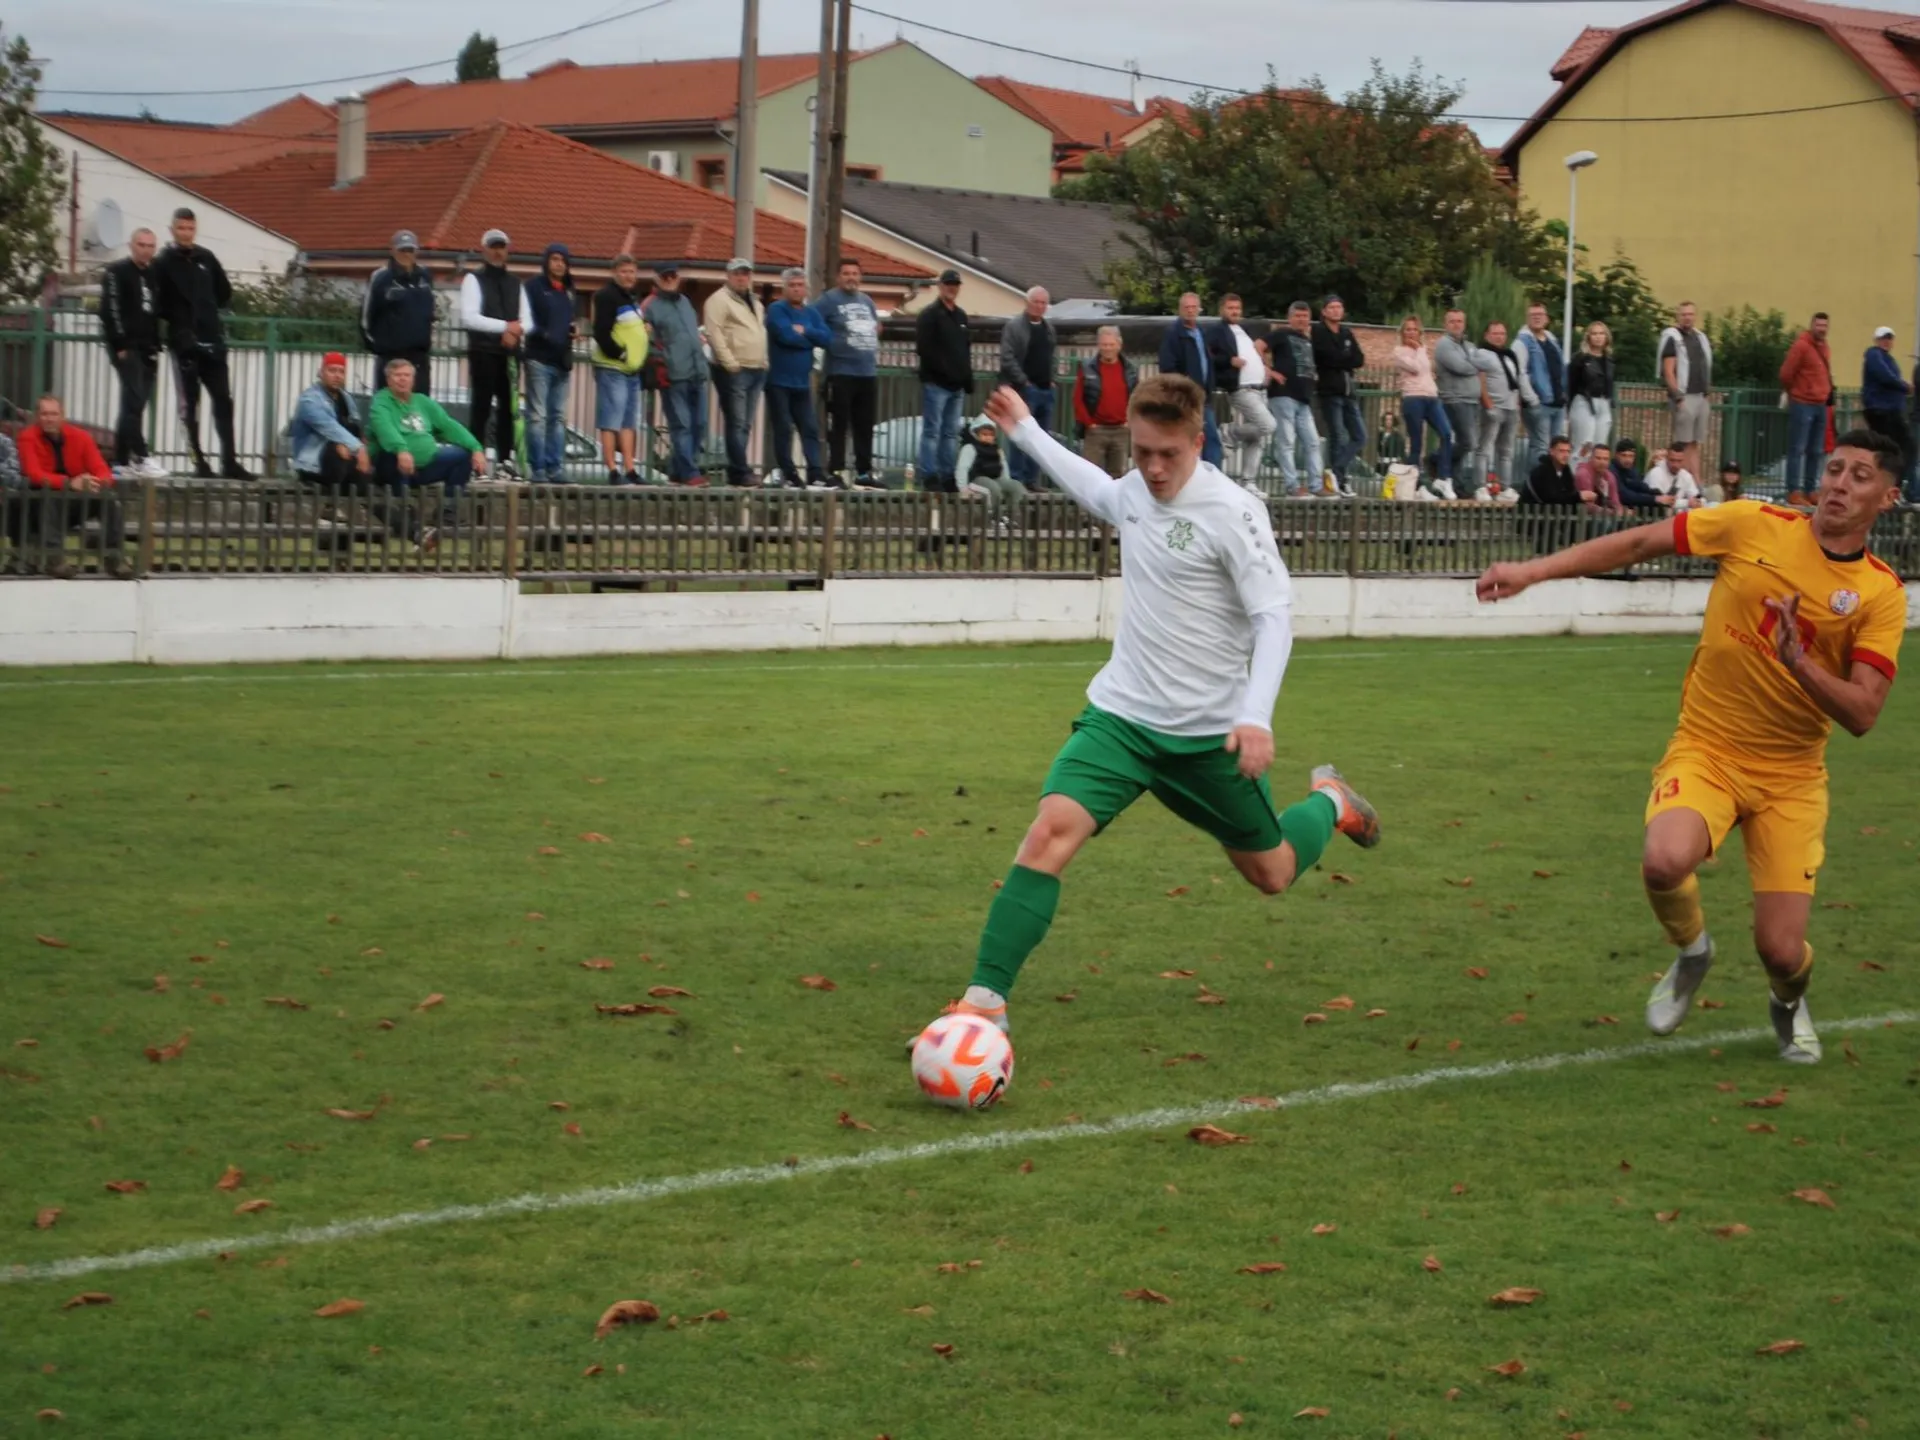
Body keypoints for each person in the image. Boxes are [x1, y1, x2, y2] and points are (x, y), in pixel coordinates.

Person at [936, 373, 1380, 1038]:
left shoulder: (1234, 513)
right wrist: (1024, 429)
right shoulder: (1137, 491)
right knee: (1049, 832)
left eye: (1168, 454)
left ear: (1199, 442)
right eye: (1142, 452)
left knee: (1273, 873)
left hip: (1209, 739)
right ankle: (984, 1002)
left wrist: (1255, 716)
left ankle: (1331, 802)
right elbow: (1094, 487)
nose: (1152, 468)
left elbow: (1273, 619)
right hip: (1122, 720)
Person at [1476, 429, 1908, 1065]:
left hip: (1791, 776)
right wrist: (1532, 571)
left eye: (1860, 476)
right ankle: (1692, 951)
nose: (1840, 484)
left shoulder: (1880, 593)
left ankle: (1787, 1002)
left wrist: (1799, 663)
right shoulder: (1752, 523)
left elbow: (1864, 712)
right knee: (1663, 860)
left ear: (1889, 498)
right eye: (1835, 468)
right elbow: (1639, 542)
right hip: (1708, 748)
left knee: (1782, 953)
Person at [153, 208, 249, 479]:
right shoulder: (162, 263)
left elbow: (224, 292)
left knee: (223, 401)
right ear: (172, 230)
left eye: (190, 228)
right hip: (184, 345)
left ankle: (230, 461)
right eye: (181, 228)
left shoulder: (206, 258)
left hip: (212, 342)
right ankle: (199, 462)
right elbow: (157, 303)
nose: (186, 234)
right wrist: (178, 324)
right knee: (189, 406)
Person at [366, 358, 486, 546]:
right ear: (388, 379)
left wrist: (476, 448)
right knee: (390, 456)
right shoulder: (381, 402)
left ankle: (448, 511)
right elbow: (385, 429)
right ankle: (406, 511)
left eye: (407, 375)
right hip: (394, 465)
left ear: (413, 379)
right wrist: (401, 450)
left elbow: (448, 425)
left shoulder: (423, 402)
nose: (403, 379)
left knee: (462, 456)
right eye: (397, 375)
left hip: (425, 464)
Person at [14, 394, 131, 579]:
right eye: (44, 414)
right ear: (37, 416)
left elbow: (103, 471)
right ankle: (54, 559)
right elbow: (33, 474)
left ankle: (114, 557)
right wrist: (69, 483)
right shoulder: (27, 437)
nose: (49, 419)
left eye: (54, 414)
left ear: (62, 415)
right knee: (50, 496)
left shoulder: (81, 437)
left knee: (108, 498)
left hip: (73, 499)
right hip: (39, 501)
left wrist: (94, 482)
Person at [459, 228, 531, 474]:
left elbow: (527, 320)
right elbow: (470, 317)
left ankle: (504, 460)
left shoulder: (515, 283)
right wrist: (505, 327)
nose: (498, 252)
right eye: (493, 247)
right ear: (484, 250)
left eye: (501, 247)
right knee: (481, 406)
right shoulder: (473, 280)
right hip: (483, 351)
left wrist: (516, 332)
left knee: (508, 408)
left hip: (509, 354)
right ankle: (476, 460)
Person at [100, 227, 167, 477]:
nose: (146, 250)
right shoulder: (117, 272)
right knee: (134, 399)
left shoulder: (154, 275)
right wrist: (119, 343)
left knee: (134, 405)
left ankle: (120, 461)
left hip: (149, 347)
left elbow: (157, 309)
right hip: (127, 346)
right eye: (141, 245)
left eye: (150, 246)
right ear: (131, 245)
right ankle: (141, 455)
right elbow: (110, 309)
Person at [643, 261, 710, 487]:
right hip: (672, 375)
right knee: (681, 425)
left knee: (700, 424)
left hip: (696, 371)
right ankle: (690, 472)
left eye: (673, 276)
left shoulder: (685, 302)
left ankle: (677, 470)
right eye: (665, 276)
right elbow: (647, 341)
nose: (670, 280)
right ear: (657, 279)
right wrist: (663, 363)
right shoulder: (650, 306)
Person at [703, 259, 769, 488]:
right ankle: (740, 471)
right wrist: (729, 363)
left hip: (756, 367)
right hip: (734, 369)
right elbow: (714, 334)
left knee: (745, 423)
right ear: (728, 276)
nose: (742, 278)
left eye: (745, 274)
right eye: (737, 274)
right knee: (737, 422)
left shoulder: (755, 301)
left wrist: (764, 359)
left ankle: (738, 470)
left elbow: (760, 330)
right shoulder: (718, 300)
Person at [764, 267, 832, 489]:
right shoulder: (776, 309)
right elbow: (786, 336)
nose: (796, 289)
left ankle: (815, 472)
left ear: (806, 289)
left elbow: (827, 338)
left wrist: (806, 332)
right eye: (792, 285)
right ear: (784, 288)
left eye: (800, 285)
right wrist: (809, 338)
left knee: (810, 428)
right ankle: (789, 473)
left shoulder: (811, 313)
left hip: (802, 382)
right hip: (778, 381)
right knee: (783, 428)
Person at [818, 257, 881, 486]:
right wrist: (829, 341)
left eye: (855, 273)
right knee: (839, 425)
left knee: (864, 425)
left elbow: (875, 327)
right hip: (840, 372)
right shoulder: (828, 300)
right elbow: (813, 322)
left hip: (867, 372)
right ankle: (835, 471)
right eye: (846, 273)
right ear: (838, 277)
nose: (851, 278)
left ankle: (863, 473)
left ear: (860, 277)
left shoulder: (867, 301)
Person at [591, 254, 650, 486]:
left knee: (628, 422)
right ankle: (613, 469)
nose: (629, 276)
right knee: (611, 419)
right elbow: (601, 331)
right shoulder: (606, 296)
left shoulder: (632, 297)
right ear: (614, 272)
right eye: (624, 271)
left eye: (632, 272)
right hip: (613, 367)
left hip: (631, 370)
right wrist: (620, 353)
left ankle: (630, 468)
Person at [522, 243, 576, 485]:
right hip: (539, 358)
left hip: (562, 361)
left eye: (563, 260)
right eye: (555, 259)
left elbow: (569, 319)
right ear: (546, 262)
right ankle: (538, 468)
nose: (559, 264)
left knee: (558, 417)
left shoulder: (569, 290)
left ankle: (555, 467)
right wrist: (546, 334)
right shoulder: (533, 287)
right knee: (537, 416)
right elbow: (526, 320)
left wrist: (572, 331)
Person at [1259, 302, 1324, 499]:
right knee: (1286, 441)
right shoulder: (1281, 333)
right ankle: (1292, 486)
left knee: (1313, 442)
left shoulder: (1307, 340)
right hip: (1283, 395)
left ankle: (1316, 485)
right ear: (1289, 318)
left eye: (1305, 316)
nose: (1302, 319)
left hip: (1303, 399)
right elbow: (1258, 346)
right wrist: (1269, 371)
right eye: (1298, 316)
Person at [915, 269, 971, 492]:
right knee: (932, 431)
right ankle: (929, 475)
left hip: (957, 386)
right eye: (948, 284)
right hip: (936, 384)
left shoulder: (961, 316)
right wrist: (944, 372)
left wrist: (967, 378)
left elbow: (965, 349)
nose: (952, 288)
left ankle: (948, 475)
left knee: (950, 433)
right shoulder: (929, 315)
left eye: (955, 284)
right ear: (940, 286)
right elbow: (924, 349)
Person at [362, 230, 437, 395]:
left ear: (416, 251)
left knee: (420, 403)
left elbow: (431, 311)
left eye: (410, 250)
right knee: (388, 402)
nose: (406, 254)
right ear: (392, 251)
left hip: (419, 355)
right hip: (391, 356)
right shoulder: (380, 278)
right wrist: (379, 347)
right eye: (402, 250)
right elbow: (366, 317)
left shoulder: (425, 276)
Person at [1215, 294, 1277, 491]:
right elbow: (1208, 356)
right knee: (1268, 425)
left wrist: (1264, 369)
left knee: (1256, 438)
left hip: (1259, 388)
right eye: (1231, 308)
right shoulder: (1217, 331)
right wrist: (1228, 361)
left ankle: (1248, 481)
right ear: (1222, 310)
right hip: (1242, 388)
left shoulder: (1244, 330)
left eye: (1238, 308)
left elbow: (1253, 354)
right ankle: (1230, 432)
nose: (1235, 312)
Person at [999, 286, 1058, 490]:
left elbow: (1052, 356)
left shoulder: (1049, 328)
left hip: (1045, 390)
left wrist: (1052, 379)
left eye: (1043, 303)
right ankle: (1017, 480)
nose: (1040, 306)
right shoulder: (1014, 326)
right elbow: (1007, 357)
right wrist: (1023, 381)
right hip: (1024, 390)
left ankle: (1032, 480)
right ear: (1027, 302)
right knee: (1020, 436)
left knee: (1040, 439)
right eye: (1036, 302)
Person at [1155, 292, 1223, 466]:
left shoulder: (1202, 332)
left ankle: (1211, 477)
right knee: (1196, 439)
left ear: (1199, 309)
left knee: (1209, 439)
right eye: (1187, 307)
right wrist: (1183, 390)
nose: (1190, 311)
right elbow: (1167, 367)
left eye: (1194, 307)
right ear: (1180, 310)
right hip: (1185, 397)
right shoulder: (1173, 334)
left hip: (1204, 396)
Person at [1391, 315, 1453, 492]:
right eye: (1408, 329)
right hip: (1413, 397)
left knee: (1446, 433)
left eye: (1415, 329)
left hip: (1431, 397)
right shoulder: (1399, 352)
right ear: (1402, 333)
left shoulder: (1422, 350)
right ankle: (1415, 485)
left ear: (1420, 332)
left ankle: (1443, 477)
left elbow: (1426, 370)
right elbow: (1416, 368)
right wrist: (1419, 349)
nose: (1411, 333)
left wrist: (1420, 350)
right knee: (1416, 443)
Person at [1311, 294, 1366, 491]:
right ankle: (1340, 481)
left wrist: (1341, 359)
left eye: (1339, 307)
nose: (1336, 310)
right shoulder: (1318, 331)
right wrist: (1344, 358)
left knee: (1360, 436)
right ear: (1324, 311)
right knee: (1337, 435)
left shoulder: (1346, 332)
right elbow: (1325, 357)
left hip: (1348, 389)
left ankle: (1336, 471)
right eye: (1332, 307)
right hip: (1330, 389)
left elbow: (1359, 359)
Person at [1778, 312, 1834, 506]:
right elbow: (1786, 374)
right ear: (1812, 325)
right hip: (1802, 403)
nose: (1822, 329)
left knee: (1816, 451)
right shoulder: (1801, 346)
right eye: (1818, 325)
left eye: (1824, 326)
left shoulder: (1825, 347)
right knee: (1797, 448)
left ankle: (1811, 490)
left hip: (1820, 404)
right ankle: (1794, 490)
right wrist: (1797, 391)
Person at [1658, 301, 1713, 493]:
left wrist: (1707, 393)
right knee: (1683, 442)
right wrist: (1678, 396)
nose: (1687, 317)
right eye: (1684, 314)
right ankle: (1685, 483)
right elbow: (1669, 370)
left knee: (1695, 443)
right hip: (1685, 395)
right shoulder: (1673, 338)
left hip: (1700, 395)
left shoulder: (1700, 337)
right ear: (1678, 316)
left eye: (1690, 314)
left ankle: (1696, 481)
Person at [1433, 309, 1487, 498]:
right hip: (1455, 399)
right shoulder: (1444, 345)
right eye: (1452, 321)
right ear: (1445, 324)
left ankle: (1456, 482)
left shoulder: (1469, 345)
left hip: (1472, 399)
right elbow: (1461, 367)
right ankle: (1435, 460)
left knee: (1465, 443)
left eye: (1460, 321)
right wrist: (1476, 365)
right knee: (1468, 442)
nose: (1456, 324)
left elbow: (1481, 363)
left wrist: (1475, 363)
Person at [1476, 320, 1531, 499]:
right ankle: (1480, 486)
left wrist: (1518, 405)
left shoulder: (1509, 356)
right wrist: (1488, 404)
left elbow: (1515, 381)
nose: (1499, 337)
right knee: (1485, 448)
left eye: (1502, 334)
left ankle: (1505, 487)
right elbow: (1480, 379)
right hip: (1494, 406)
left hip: (1511, 407)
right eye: (1495, 333)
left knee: (1506, 451)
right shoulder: (1482, 354)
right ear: (1487, 335)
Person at [1073, 325, 1136, 479]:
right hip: (1096, 430)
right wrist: (1089, 424)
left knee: (1118, 476)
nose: (1107, 348)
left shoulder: (1130, 369)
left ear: (1119, 345)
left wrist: (1129, 421)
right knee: (1090, 475)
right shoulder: (1087, 368)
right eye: (1104, 345)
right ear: (1098, 345)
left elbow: (1137, 397)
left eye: (1111, 345)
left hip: (1121, 430)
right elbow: (1077, 399)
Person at [1513, 302, 1567, 468]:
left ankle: (1553, 481)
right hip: (1539, 404)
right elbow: (1520, 372)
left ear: (1546, 318)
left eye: (1540, 315)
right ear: (1527, 318)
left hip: (1557, 403)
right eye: (1533, 315)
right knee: (1540, 446)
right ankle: (1535, 482)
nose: (1537, 318)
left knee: (1557, 448)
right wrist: (1532, 400)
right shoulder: (1522, 342)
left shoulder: (1552, 340)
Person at [1860, 326, 1913, 474]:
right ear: (1876, 340)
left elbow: (1891, 377)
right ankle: (1891, 479)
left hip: (1890, 409)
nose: (1887, 341)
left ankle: (1894, 480)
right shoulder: (1874, 354)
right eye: (1883, 338)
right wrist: (1904, 386)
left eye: (1889, 338)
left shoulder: (1887, 358)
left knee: (1898, 446)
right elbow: (1885, 376)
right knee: (1895, 447)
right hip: (1881, 409)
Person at [956, 414, 1022, 528]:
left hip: (995, 479)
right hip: (976, 480)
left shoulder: (997, 450)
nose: (988, 437)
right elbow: (962, 468)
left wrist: (1007, 483)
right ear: (976, 434)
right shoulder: (970, 448)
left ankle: (1009, 517)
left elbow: (1003, 467)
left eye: (991, 435)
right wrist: (962, 488)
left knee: (1017, 487)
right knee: (993, 488)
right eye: (984, 434)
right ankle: (993, 518)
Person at [1565, 321, 1615, 462]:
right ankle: (1577, 473)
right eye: (1594, 333)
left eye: (1601, 333)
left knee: (1600, 448)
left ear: (1606, 337)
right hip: (1584, 401)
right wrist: (1568, 408)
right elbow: (1571, 384)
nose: (1598, 337)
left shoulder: (1609, 360)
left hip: (1604, 402)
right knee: (1584, 446)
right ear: (1588, 337)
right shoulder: (1580, 359)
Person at [1522, 435, 1582, 507]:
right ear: (1551, 451)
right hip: (1533, 512)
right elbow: (1551, 499)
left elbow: (1569, 493)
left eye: (1568, 451)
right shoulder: (1541, 471)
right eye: (1561, 451)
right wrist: (1578, 496)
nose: (1566, 455)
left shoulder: (1566, 470)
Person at [1611, 439, 1668, 511]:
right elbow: (1624, 495)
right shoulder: (1612, 471)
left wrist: (1658, 494)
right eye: (1624, 455)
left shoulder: (1632, 470)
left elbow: (1642, 487)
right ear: (1616, 455)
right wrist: (1654, 499)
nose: (1628, 459)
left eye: (1631, 456)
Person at [1645, 441, 1704, 510]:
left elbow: (1697, 498)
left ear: (1684, 460)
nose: (1675, 465)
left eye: (1679, 461)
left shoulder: (1685, 475)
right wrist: (1687, 503)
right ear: (1666, 458)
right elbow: (1661, 502)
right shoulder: (1655, 473)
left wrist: (1697, 502)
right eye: (1672, 460)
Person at [1578, 441, 1625, 515]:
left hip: (1602, 516)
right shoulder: (1583, 474)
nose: (1602, 462)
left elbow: (1615, 502)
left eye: (1605, 459)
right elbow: (1588, 506)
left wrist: (1620, 511)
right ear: (1591, 458)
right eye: (1598, 458)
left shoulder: (1610, 476)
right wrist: (1612, 512)